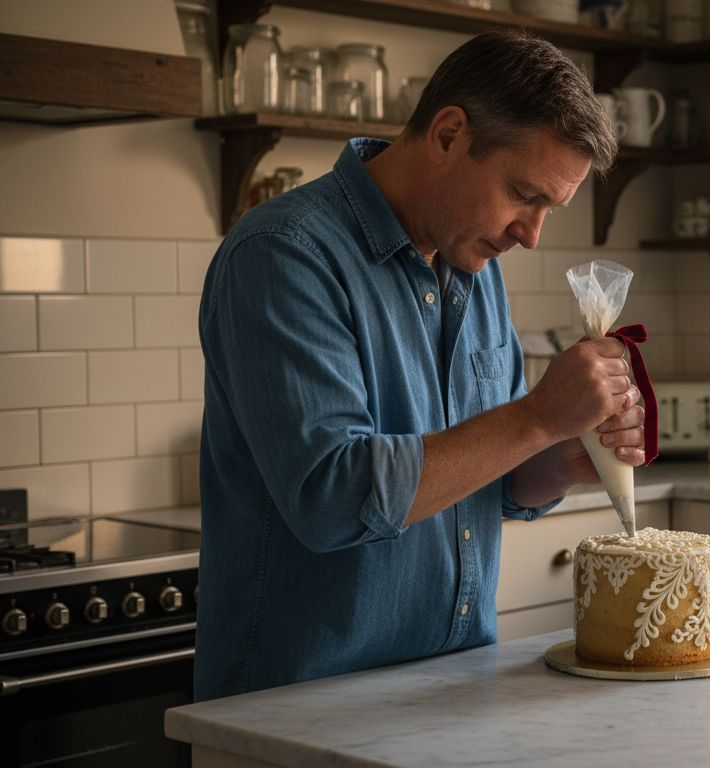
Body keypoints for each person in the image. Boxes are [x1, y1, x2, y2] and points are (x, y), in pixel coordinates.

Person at [194, 28, 637, 701]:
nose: (532, 233)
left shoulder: (474, 263)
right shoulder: (283, 256)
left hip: (453, 690)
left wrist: (564, 453)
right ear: (449, 134)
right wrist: (537, 415)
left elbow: (492, 480)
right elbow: (332, 500)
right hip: (294, 711)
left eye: (550, 207)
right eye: (524, 194)